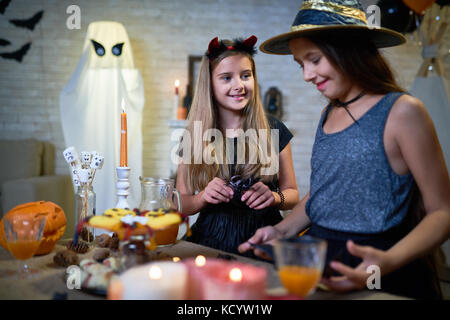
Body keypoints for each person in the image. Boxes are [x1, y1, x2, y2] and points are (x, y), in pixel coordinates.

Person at [238, 0, 450, 299]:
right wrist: (282, 232)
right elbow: (325, 191)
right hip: (322, 259)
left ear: (348, 50)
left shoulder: (403, 111)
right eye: (301, 64)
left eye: (314, 59)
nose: (307, 75)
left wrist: (387, 262)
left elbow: (443, 212)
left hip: (380, 265)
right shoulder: (329, 113)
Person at [175, 35, 299, 257]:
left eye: (246, 75)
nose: (239, 85)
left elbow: (293, 194)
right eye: (226, 78)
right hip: (209, 240)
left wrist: (274, 197)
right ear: (210, 85)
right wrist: (202, 197)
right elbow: (182, 203)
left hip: (263, 240)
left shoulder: (273, 129)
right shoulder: (194, 135)